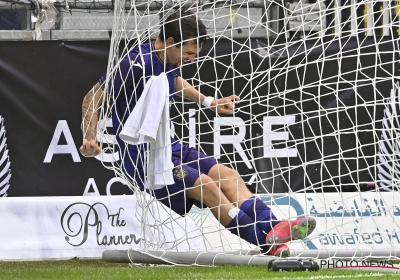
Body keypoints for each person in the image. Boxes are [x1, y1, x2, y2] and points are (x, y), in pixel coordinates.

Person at [79, 10, 316, 257]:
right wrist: (90, 137)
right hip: (144, 160)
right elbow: (92, 96)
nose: (191, 60)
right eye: (189, 53)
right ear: (171, 42)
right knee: (207, 186)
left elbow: (175, 80)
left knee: (229, 176)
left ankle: (275, 228)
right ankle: (266, 242)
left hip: (169, 148)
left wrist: (208, 101)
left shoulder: (166, 59)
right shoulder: (137, 62)